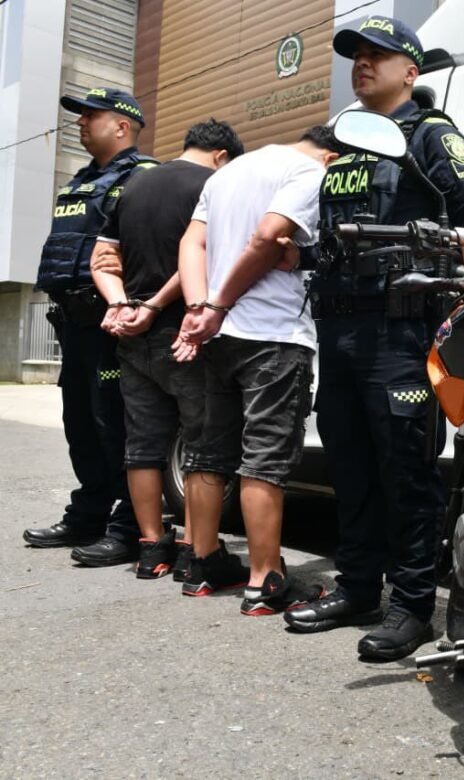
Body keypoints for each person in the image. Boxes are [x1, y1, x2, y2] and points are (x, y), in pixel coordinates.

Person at [283, 16, 464, 663]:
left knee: (405, 473)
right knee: (350, 468)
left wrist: (455, 295)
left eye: (378, 55)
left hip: (400, 332)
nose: (362, 64)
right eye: (356, 55)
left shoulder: (431, 135)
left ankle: (411, 606)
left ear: (410, 70)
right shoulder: (348, 144)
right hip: (340, 331)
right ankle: (357, 589)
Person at [171, 125, 341, 616]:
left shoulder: (229, 172)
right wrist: (219, 304)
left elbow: (192, 243)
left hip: (218, 336)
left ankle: (202, 563)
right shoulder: (309, 172)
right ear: (331, 156)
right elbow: (268, 237)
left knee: (208, 452)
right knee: (265, 455)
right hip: (273, 333)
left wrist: (199, 307)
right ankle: (266, 580)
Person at [90, 119, 245, 581]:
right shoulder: (214, 185)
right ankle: (197, 550)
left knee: (142, 443)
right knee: (202, 443)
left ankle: (150, 548)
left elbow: (102, 259)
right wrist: (155, 306)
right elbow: (200, 256)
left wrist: (121, 304)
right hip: (186, 334)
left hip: (132, 337)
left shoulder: (134, 185)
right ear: (222, 155)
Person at [23, 87, 158, 566]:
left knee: (115, 425)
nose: (80, 122)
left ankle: (129, 526)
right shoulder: (81, 181)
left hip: (113, 326)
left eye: (90, 115)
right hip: (73, 326)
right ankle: (88, 514)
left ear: (122, 126)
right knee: (80, 425)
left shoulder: (144, 178)